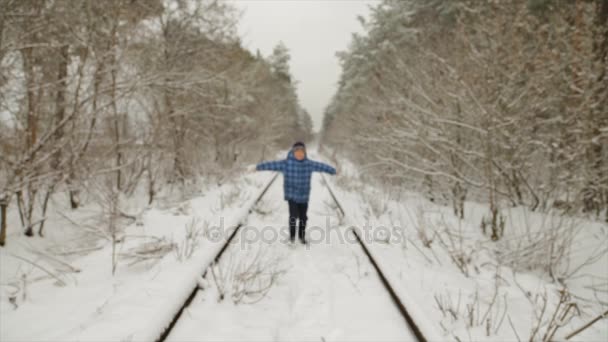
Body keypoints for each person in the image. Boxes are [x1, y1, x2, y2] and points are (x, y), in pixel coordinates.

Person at [255, 142, 336, 244]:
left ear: (304, 153)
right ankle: (292, 237)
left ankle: (301, 236)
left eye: (301, 152)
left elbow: (321, 166)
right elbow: (271, 165)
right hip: (291, 195)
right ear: (293, 152)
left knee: (303, 217)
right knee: (293, 216)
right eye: (297, 152)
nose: (299, 154)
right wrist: (257, 167)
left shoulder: (309, 164)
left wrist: (333, 171)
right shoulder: (286, 163)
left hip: (304, 196)